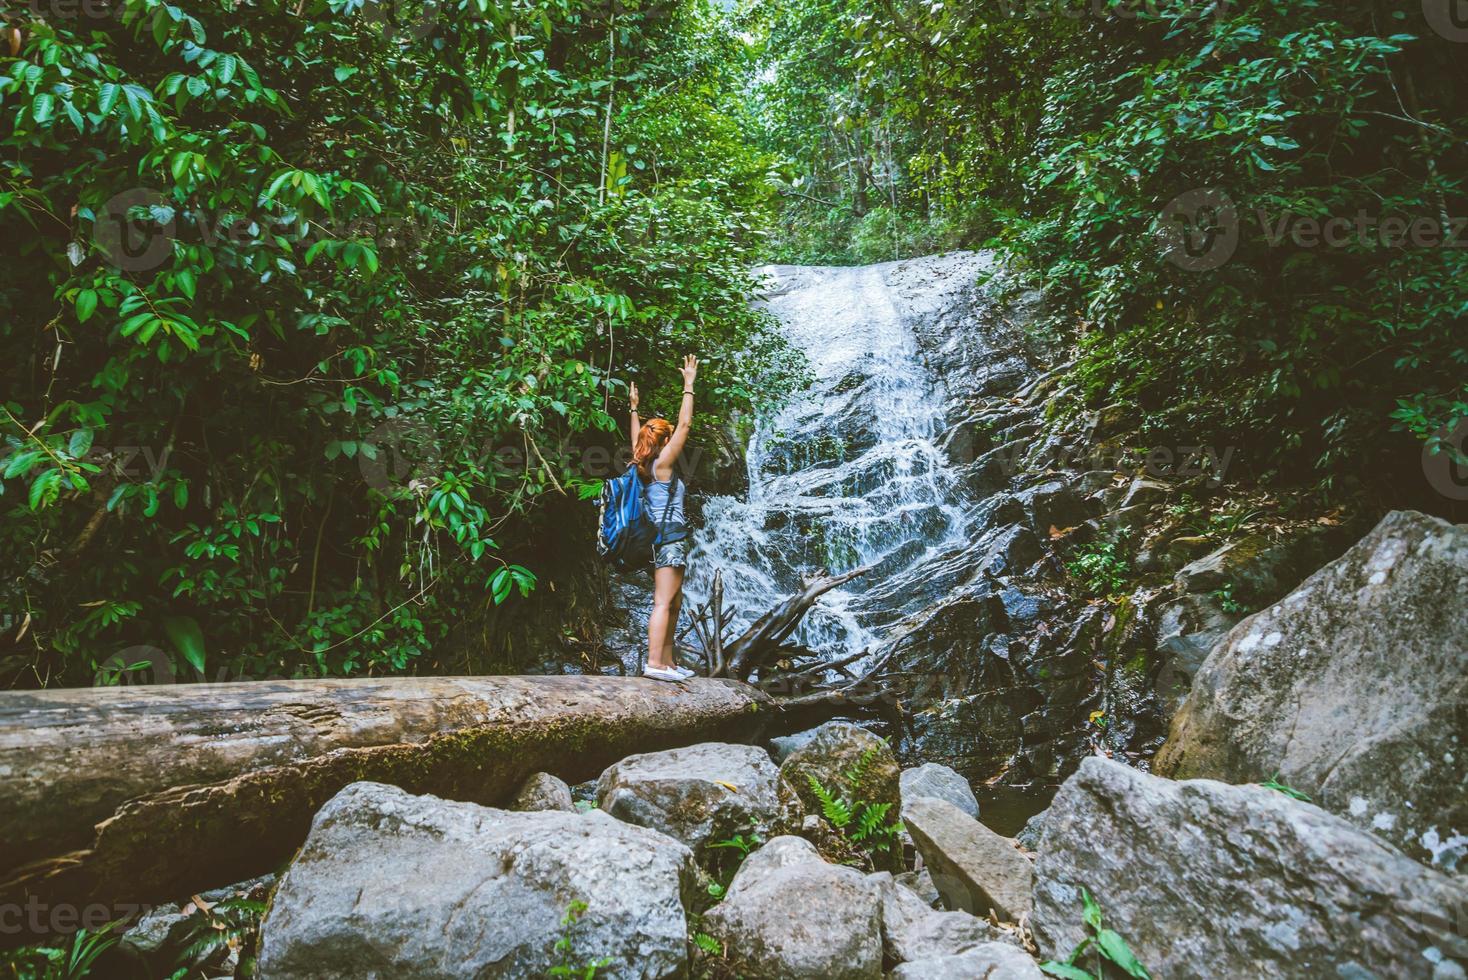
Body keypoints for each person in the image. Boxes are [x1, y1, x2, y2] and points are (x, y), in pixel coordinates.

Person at [630, 354, 698, 682]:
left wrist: (634, 409)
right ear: (663, 442)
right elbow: (685, 425)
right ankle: (654, 663)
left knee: (673, 603)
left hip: (669, 539)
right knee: (663, 602)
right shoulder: (662, 464)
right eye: (667, 437)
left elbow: (637, 439)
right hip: (669, 538)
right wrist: (688, 385)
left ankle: (668, 663)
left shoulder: (645, 463)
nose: (673, 440)